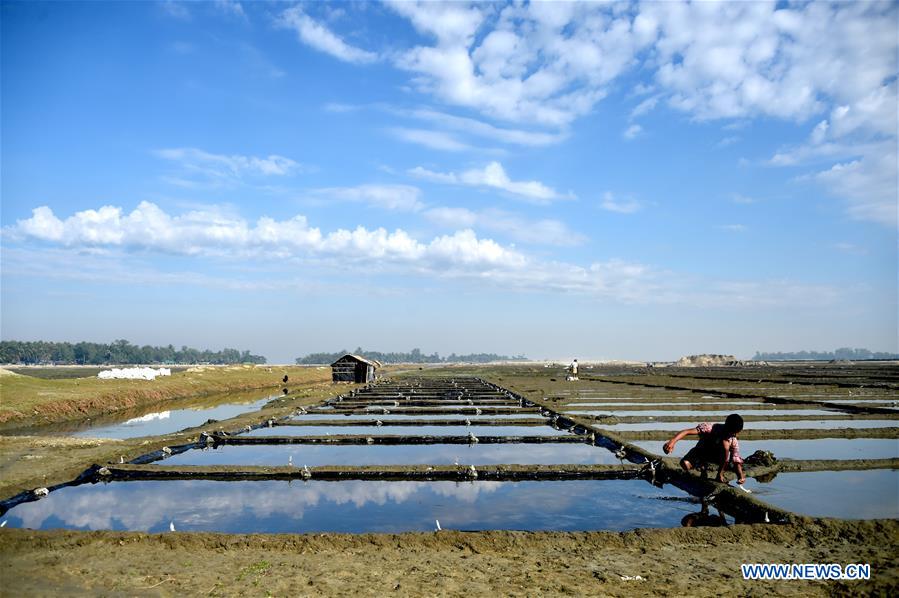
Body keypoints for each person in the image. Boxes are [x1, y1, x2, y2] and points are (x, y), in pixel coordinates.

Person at [663, 414, 745, 485]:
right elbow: (687, 432)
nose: (731, 435)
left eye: (733, 433)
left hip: (716, 460)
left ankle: (718, 472)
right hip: (700, 452)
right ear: (726, 426)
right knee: (685, 464)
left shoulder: (733, 441)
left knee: (726, 449)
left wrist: (740, 476)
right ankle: (698, 469)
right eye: (730, 432)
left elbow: (736, 460)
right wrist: (672, 442)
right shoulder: (711, 428)